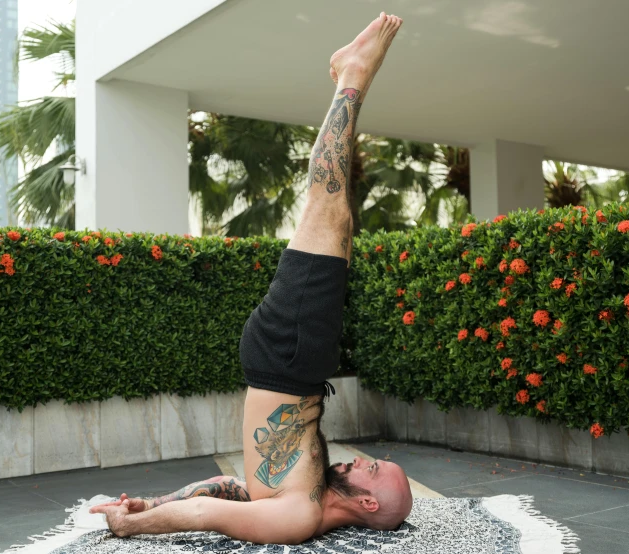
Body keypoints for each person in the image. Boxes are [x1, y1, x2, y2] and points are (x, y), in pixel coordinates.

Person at [91, 12, 411, 545]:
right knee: (340, 222)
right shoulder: (296, 498)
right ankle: (349, 75)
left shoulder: (299, 517)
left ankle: (354, 74)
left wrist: (136, 523)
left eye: (371, 470)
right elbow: (226, 488)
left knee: (326, 207)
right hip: (295, 366)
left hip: (289, 358)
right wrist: (158, 500)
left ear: (369, 503)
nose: (362, 463)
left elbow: (206, 516)